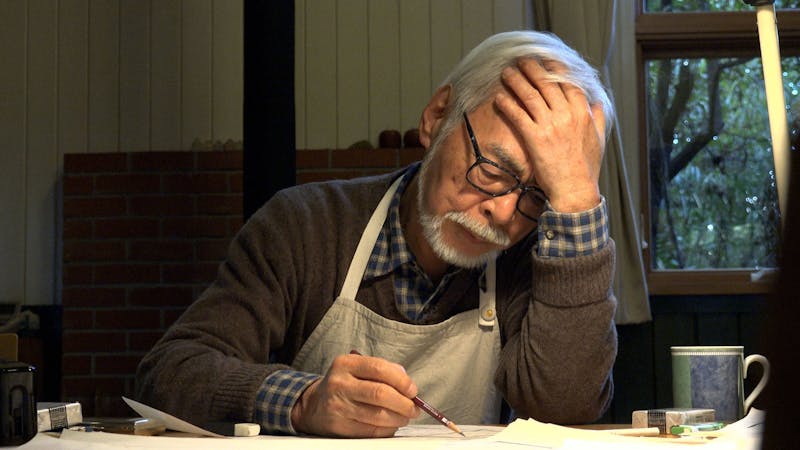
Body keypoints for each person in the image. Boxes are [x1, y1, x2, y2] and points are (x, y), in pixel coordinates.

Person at [135, 30, 618, 438]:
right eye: (492, 168)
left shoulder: (537, 258)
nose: (504, 211)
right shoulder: (305, 226)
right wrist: (302, 401)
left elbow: (563, 413)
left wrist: (575, 201)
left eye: (537, 194)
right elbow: (169, 374)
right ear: (436, 117)